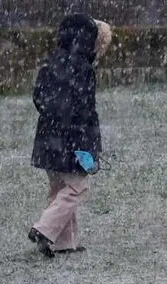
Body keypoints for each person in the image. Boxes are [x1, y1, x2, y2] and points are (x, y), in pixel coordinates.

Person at [28, 14, 112, 258]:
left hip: (47, 138)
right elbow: (87, 112)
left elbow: (38, 98)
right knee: (77, 187)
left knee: (58, 188)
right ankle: (43, 229)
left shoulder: (51, 62)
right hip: (73, 140)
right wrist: (91, 146)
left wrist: (52, 117)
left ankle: (64, 242)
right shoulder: (83, 70)